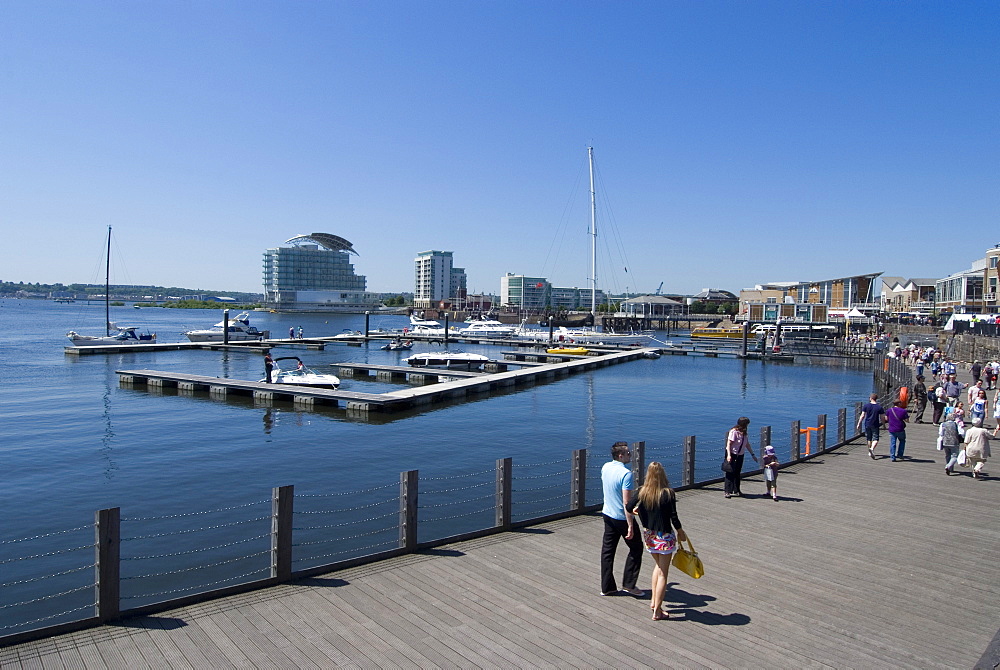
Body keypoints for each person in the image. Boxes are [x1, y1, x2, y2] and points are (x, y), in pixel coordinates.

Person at [631, 462, 687, 621]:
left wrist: (637, 510)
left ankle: (653, 601)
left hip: (649, 535)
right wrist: (680, 531)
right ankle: (657, 610)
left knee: (658, 567)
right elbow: (673, 516)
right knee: (663, 573)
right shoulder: (668, 493)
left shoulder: (642, 491)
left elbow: (629, 506)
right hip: (665, 537)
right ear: (662, 474)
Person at [600, 441, 644, 597]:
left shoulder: (605, 467)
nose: (630, 455)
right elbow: (627, 503)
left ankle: (607, 587)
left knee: (607, 551)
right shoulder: (626, 474)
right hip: (621, 517)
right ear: (620, 455)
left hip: (607, 514)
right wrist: (631, 525)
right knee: (636, 547)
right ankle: (629, 584)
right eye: (627, 453)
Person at [723, 416, 757, 498]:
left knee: (737, 473)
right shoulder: (734, 432)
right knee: (730, 472)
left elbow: (747, 444)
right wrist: (729, 455)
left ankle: (737, 490)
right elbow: (729, 444)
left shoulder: (744, 433)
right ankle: (727, 491)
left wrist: (752, 454)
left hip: (740, 455)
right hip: (732, 454)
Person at [857, 393, 886, 459]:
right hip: (875, 424)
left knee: (869, 438)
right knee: (876, 438)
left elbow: (862, 415)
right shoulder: (879, 407)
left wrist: (859, 423)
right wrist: (884, 425)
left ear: (871, 398)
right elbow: (882, 417)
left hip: (867, 424)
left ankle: (870, 451)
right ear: (876, 399)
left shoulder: (866, 406)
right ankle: (872, 449)